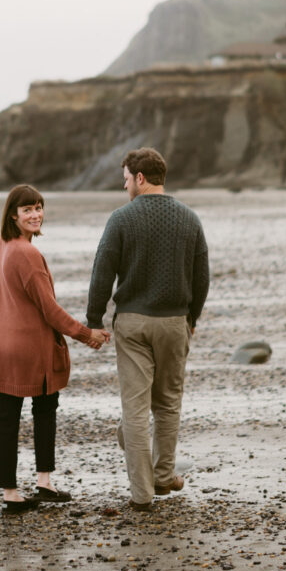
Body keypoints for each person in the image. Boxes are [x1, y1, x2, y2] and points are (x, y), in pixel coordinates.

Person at [86, 147, 209, 511]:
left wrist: (94, 320)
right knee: (168, 403)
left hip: (133, 322)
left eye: (126, 179)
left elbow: (102, 272)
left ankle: (142, 495)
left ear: (140, 178)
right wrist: (192, 319)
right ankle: (162, 475)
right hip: (174, 322)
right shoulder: (189, 219)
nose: (124, 186)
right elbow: (201, 277)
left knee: (135, 409)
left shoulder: (121, 219)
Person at [0, 184, 108, 514]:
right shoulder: (27, 253)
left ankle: (10, 491)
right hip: (29, 349)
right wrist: (86, 334)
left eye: (38, 207)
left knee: (7, 421)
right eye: (27, 210)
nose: (35, 214)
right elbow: (49, 310)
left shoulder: (2, 244)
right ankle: (44, 482)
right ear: (13, 214)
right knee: (44, 411)